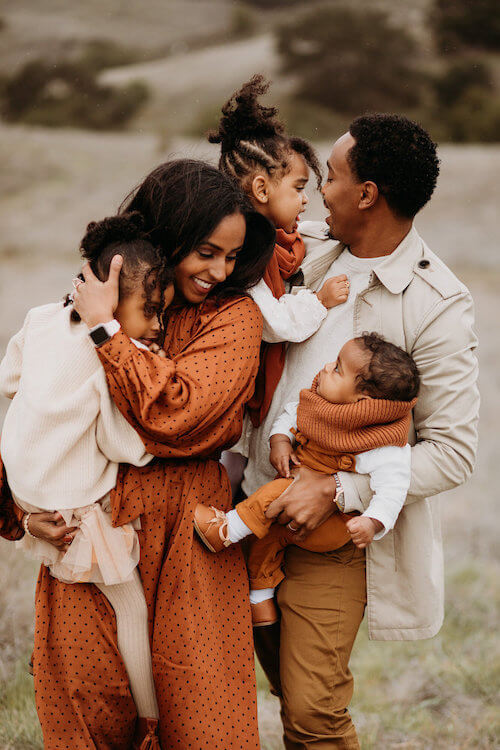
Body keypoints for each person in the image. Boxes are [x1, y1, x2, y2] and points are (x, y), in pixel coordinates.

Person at [0, 159, 275, 749]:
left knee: (207, 722)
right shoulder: (96, 299)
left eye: (230, 256)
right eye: (205, 251)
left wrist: (109, 334)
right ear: (167, 233)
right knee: (86, 711)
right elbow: (34, 409)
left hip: (189, 538)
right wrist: (24, 511)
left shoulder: (233, 317)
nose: (218, 271)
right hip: (92, 527)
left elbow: (179, 415)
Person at [242, 114, 479, 748]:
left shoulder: (438, 303)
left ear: (367, 194)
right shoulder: (300, 249)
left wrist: (337, 486)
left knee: (313, 714)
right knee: (264, 692)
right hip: (242, 506)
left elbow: (454, 453)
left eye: (335, 177)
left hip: (330, 538)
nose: (321, 189)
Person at [0, 212, 175, 737]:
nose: (159, 325)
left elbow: (10, 379)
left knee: (69, 601)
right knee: (129, 604)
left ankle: (67, 690)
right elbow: (122, 443)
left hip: (25, 488)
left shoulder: (38, 318)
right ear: (111, 302)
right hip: (73, 501)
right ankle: (150, 717)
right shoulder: (111, 354)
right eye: (151, 312)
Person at [194, 333, 418, 626]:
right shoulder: (319, 403)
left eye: (337, 369)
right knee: (266, 541)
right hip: (290, 510)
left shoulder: (381, 442)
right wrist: (280, 442)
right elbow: (291, 416)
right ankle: (260, 600)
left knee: (275, 493)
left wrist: (373, 521)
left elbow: (394, 489)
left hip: (331, 525)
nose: (326, 367)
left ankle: (225, 530)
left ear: (362, 399)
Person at [210, 75, 349, 492]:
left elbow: (299, 231)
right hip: (227, 374)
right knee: (231, 469)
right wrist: (319, 302)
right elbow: (270, 322)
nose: (308, 199)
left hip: (244, 375)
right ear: (260, 188)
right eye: (299, 188)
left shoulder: (278, 235)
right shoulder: (246, 248)